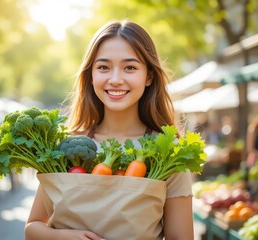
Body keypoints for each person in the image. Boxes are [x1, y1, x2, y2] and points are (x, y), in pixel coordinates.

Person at [25, 20, 193, 240]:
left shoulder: (170, 153)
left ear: (149, 76)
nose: (115, 79)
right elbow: (32, 227)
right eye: (103, 67)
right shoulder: (65, 147)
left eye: (130, 67)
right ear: (91, 75)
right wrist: (67, 237)